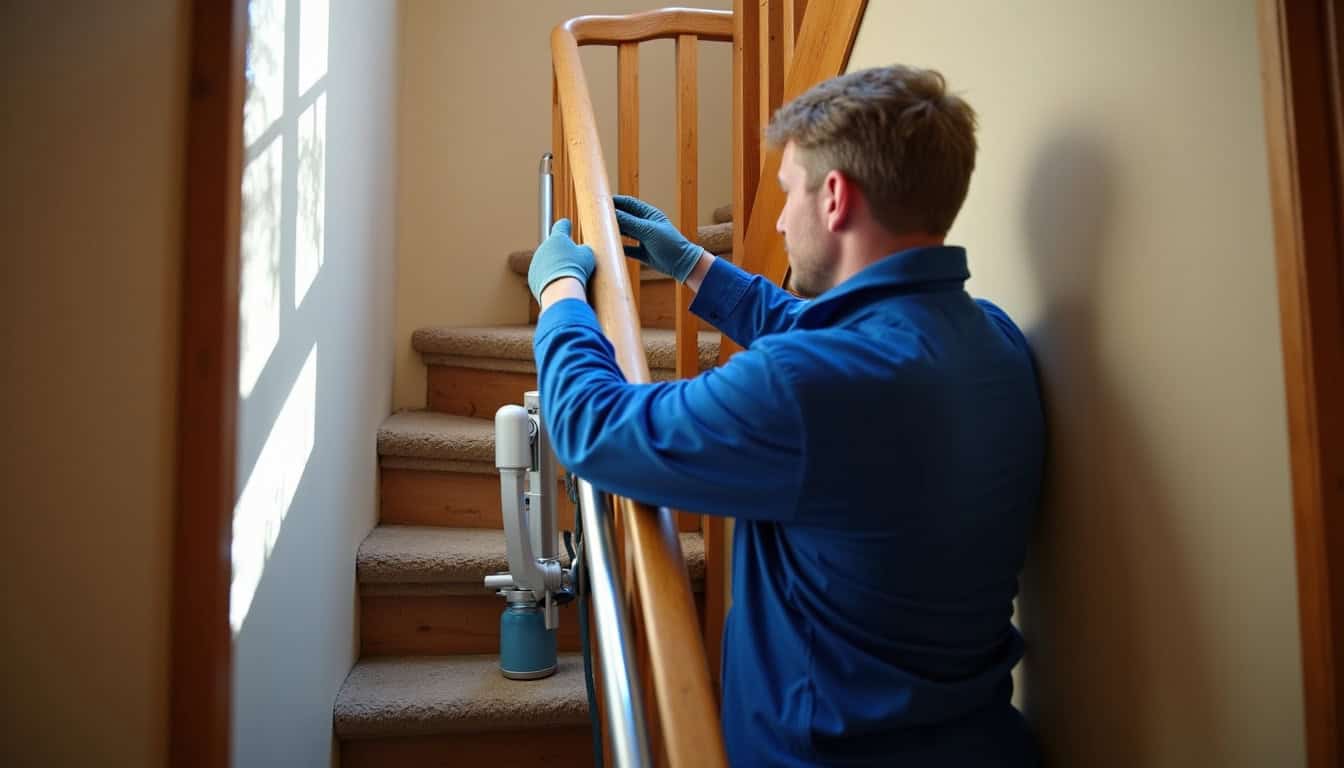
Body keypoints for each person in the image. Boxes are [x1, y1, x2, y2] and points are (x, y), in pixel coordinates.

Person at [526, 64, 1044, 767]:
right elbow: (828, 332)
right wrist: (697, 268)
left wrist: (560, 295)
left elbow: (594, 426)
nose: (777, 219)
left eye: (787, 193)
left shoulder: (808, 386)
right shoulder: (992, 339)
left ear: (834, 198)